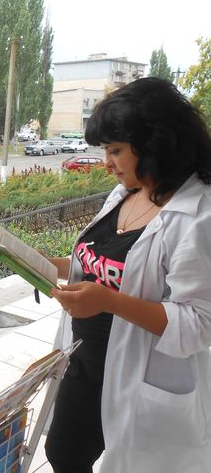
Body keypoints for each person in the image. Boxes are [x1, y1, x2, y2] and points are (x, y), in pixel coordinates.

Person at [45, 77, 211, 473]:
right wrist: (52, 264)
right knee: (63, 453)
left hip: (141, 372)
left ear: (155, 143)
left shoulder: (198, 216)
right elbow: (112, 265)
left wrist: (109, 302)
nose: (107, 163)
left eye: (116, 150)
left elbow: (199, 321)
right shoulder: (128, 193)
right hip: (86, 358)